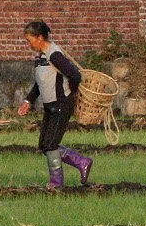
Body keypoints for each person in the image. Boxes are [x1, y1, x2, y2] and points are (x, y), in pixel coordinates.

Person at [16, 19, 91, 191]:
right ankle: (81, 161)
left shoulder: (54, 55)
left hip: (61, 105)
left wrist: (70, 93)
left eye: (30, 40)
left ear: (40, 37)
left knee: (51, 144)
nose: (29, 44)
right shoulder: (40, 57)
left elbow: (75, 75)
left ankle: (57, 183)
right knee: (45, 145)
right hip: (50, 106)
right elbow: (39, 83)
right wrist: (28, 101)